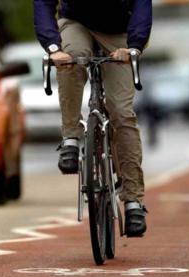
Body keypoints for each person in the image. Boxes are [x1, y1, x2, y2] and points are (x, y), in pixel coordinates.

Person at [33, 0, 152, 237]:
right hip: (78, 24)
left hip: (120, 31)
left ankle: (133, 202)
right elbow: (43, 3)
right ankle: (70, 138)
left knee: (121, 112)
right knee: (72, 58)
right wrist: (53, 48)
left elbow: (142, 4)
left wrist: (134, 47)